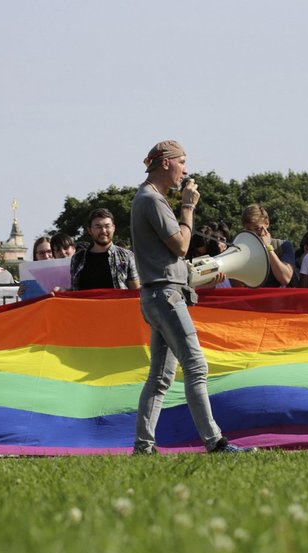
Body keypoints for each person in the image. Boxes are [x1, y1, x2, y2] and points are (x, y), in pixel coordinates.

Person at [130, 139, 247, 455]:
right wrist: (188, 206)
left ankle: (144, 446)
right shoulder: (153, 200)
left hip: (157, 296)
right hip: (166, 297)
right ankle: (215, 442)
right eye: (183, 162)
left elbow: (168, 260)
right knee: (196, 367)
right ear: (166, 162)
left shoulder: (146, 198)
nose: (185, 169)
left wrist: (201, 276)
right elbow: (181, 245)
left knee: (160, 378)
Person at [70, 208, 140, 291]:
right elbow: (74, 291)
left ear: (113, 228)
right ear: (90, 230)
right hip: (85, 303)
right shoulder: (77, 258)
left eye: (107, 226)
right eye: (98, 227)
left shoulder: (127, 256)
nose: (103, 231)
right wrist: (62, 292)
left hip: (117, 303)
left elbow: (135, 291)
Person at [240, 204, 296, 287]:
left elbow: (285, 278)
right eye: (249, 230)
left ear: (266, 223)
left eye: (257, 229)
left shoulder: (283, 246)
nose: (254, 234)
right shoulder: (241, 249)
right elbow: (238, 285)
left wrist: (269, 248)